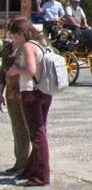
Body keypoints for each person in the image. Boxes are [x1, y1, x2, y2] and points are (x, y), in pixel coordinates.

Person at [6, 18, 53, 186]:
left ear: (22, 33)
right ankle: (31, 169)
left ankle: (41, 175)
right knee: (40, 132)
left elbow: (30, 70)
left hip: (31, 93)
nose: (15, 40)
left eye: (15, 36)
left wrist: (15, 70)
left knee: (37, 135)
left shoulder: (28, 46)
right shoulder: (43, 43)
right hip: (45, 91)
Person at [0, 38, 30, 176]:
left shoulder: (29, 46)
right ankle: (20, 163)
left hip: (27, 93)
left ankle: (30, 164)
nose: (14, 36)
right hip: (12, 94)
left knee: (29, 129)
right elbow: (2, 72)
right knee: (17, 129)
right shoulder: (8, 47)